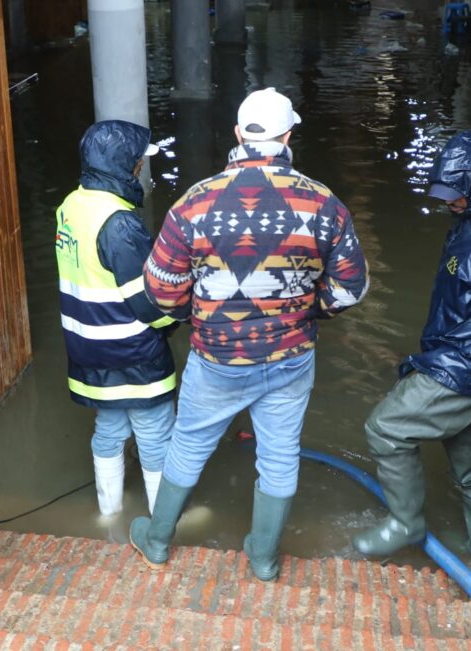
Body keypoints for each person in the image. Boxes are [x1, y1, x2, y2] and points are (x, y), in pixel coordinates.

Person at [130, 88, 369, 581]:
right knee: (279, 457)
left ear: (238, 135)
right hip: (290, 357)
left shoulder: (194, 203)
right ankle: (261, 559)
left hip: (215, 357)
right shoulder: (323, 203)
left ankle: (156, 541)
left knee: (188, 445)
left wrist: (193, 315)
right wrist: (306, 311)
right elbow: (352, 288)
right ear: (287, 136)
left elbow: (161, 288)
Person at [353, 131, 471, 561]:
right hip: (467, 357)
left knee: (386, 428)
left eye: (457, 195)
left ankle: (406, 523)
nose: (450, 203)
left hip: (467, 366)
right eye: (446, 194)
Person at [55, 120, 177, 517]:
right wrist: (179, 320)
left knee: (108, 430)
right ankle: (164, 522)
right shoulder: (119, 223)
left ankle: (108, 514)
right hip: (133, 352)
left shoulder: (71, 206)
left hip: (88, 348)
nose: (141, 168)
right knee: (156, 435)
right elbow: (148, 302)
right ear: (125, 165)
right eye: (139, 162)